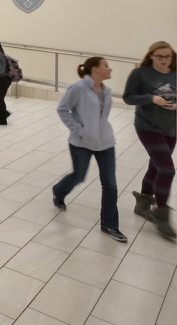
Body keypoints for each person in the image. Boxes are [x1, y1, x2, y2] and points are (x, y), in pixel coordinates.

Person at [52, 57, 127, 243]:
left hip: (105, 143)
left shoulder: (106, 91)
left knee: (110, 184)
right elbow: (62, 109)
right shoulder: (78, 88)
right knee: (79, 176)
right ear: (95, 69)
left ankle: (109, 224)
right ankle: (59, 191)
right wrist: (80, 131)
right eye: (106, 66)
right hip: (81, 143)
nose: (110, 69)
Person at [123, 41, 177, 239]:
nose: (164, 60)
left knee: (156, 166)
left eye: (168, 56)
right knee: (167, 169)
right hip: (147, 127)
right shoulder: (140, 74)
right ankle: (161, 213)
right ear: (151, 56)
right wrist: (151, 99)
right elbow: (128, 97)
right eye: (160, 56)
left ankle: (143, 202)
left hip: (171, 128)